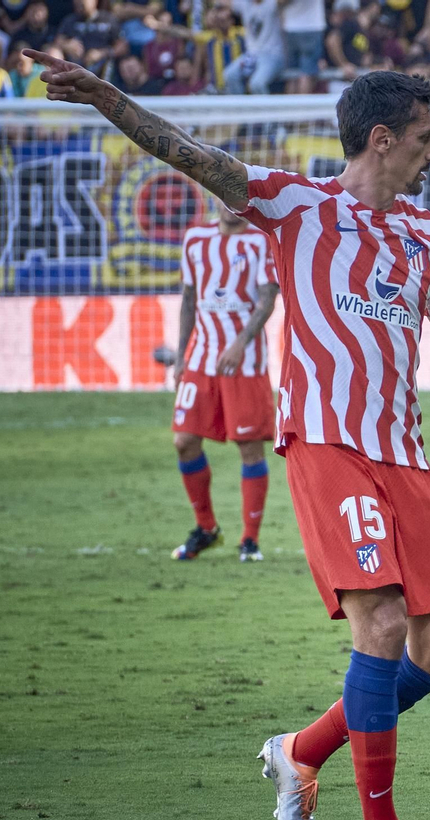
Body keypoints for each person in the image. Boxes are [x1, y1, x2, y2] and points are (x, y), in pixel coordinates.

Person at [25, 51, 430, 820]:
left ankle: (301, 750)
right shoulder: (294, 206)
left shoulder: (428, 236)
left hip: (406, 454)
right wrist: (106, 94)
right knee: (384, 627)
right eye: (427, 138)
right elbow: (180, 150)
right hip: (325, 444)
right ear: (383, 138)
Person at [165, 208, 280, 563]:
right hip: (200, 358)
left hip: (244, 363)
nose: (229, 203)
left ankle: (250, 540)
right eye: (222, 194)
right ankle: (206, 528)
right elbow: (188, 300)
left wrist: (239, 343)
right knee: (184, 442)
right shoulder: (195, 239)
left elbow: (267, 300)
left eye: (236, 195)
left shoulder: (261, 240)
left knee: (249, 447)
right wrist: (182, 355)